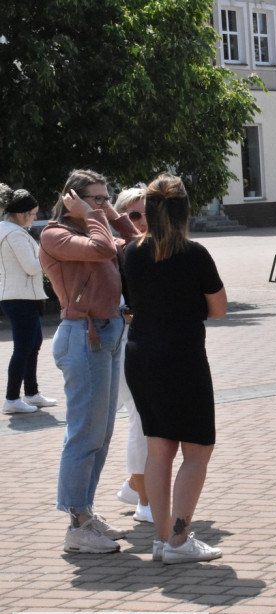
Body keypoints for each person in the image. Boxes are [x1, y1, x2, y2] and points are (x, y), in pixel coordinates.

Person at [123, 175, 227, 565]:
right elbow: (218, 309)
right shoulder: (194, 253)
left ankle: (163, 539)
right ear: (185, 210)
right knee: (198, 450)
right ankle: (179, 542)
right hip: (182, 357)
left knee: (159, 448)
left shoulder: (132, 253)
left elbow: (135, 302)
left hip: (142, 355)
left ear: (147, 210)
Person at [40, 169, 142, 553]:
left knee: (101, 434)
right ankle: (76, 523)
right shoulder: (56, 235)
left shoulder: (97, 225)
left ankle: (85, 513)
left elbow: (136, 244)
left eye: (106, 197)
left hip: (110, 333)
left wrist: (110, 214)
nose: (104, 204)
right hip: (83, 337)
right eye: (96, 198)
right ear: (73, 200)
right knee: (84, 434)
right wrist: (95, 216)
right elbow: (101, 250)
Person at [110, 186, 152, 523]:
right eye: (133, 215)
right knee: (141, 420)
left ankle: (133, 487)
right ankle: (145, 503)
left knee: (152, 422)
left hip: (156, 344)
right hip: (124, 343)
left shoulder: (160, 249)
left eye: (148, 213)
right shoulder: (117, 251)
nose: (142, 222)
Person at [0, 185, 58, 415]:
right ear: (21, 213)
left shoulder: (9, 231)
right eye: (33, 214)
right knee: (24, 347)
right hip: (19, 297)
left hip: (17, 296)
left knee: (31, 344)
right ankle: (13, 398)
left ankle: (31, 393)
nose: (34, 218)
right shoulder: (13, 233)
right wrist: (49, 253)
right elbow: (33, 267)